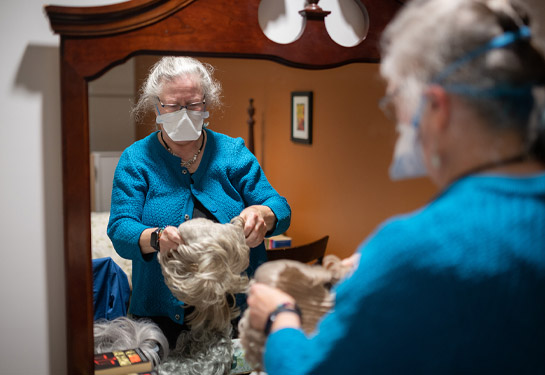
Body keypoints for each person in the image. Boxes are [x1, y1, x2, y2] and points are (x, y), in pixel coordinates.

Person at [247, 0, 545, 373]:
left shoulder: (418, 248)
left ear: (437, 107)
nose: (401, 126)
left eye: (396, 103)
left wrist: (281, 316)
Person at [107, 56, 291, 348]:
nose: (183, 113)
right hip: (161, 320)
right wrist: (155, 238)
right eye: (172, 105)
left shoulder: (233, 153)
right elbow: (120, 230)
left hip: (236, 315)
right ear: (157, 106)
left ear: (206, 105)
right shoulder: (136, 159)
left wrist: (262, 213)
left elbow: (280, 207)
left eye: (192, 104)